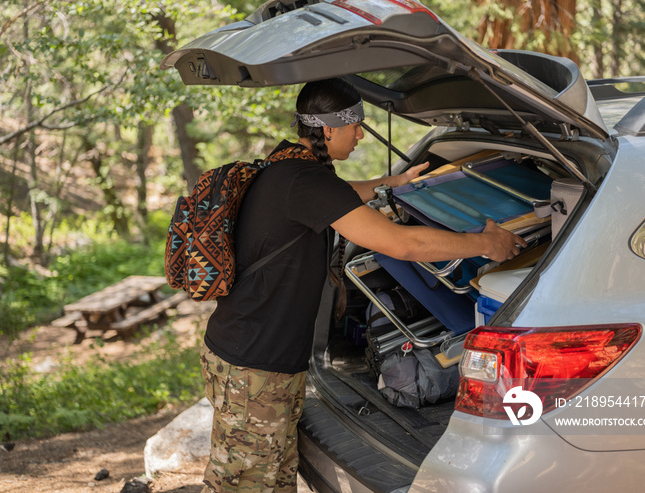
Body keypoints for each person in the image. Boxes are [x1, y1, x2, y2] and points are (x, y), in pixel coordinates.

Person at [199, 78, 526, 493]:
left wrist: (389, 184)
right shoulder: (306, 182)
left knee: (272, 478)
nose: (359, 134)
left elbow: (342, 194)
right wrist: (486, 243)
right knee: (241, 484)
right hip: (254, 367)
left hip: (259, 358)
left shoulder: (292, 168)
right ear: (330, 128)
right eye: (355, 126)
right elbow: (402, 244)